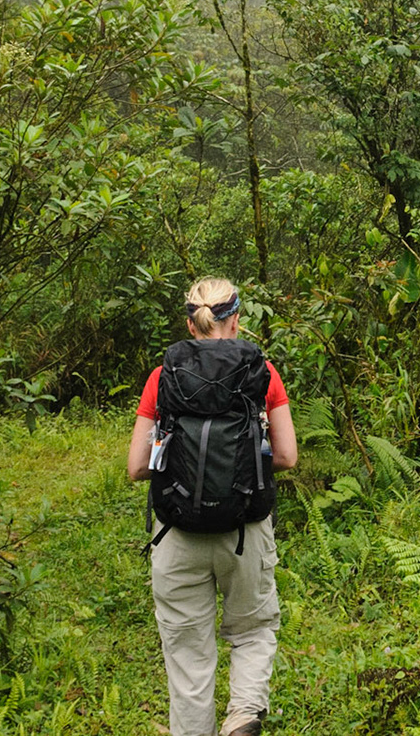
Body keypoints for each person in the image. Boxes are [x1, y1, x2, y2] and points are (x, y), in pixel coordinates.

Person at [128, 277, 297, 736]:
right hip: (244, 533)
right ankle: (242, 715)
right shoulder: (263, 372)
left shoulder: (163, 377)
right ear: (237, 320)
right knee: (253, 629)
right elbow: (286, 456)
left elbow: (136, 467)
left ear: (190, 323)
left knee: (187, 654)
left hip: (177, 534)